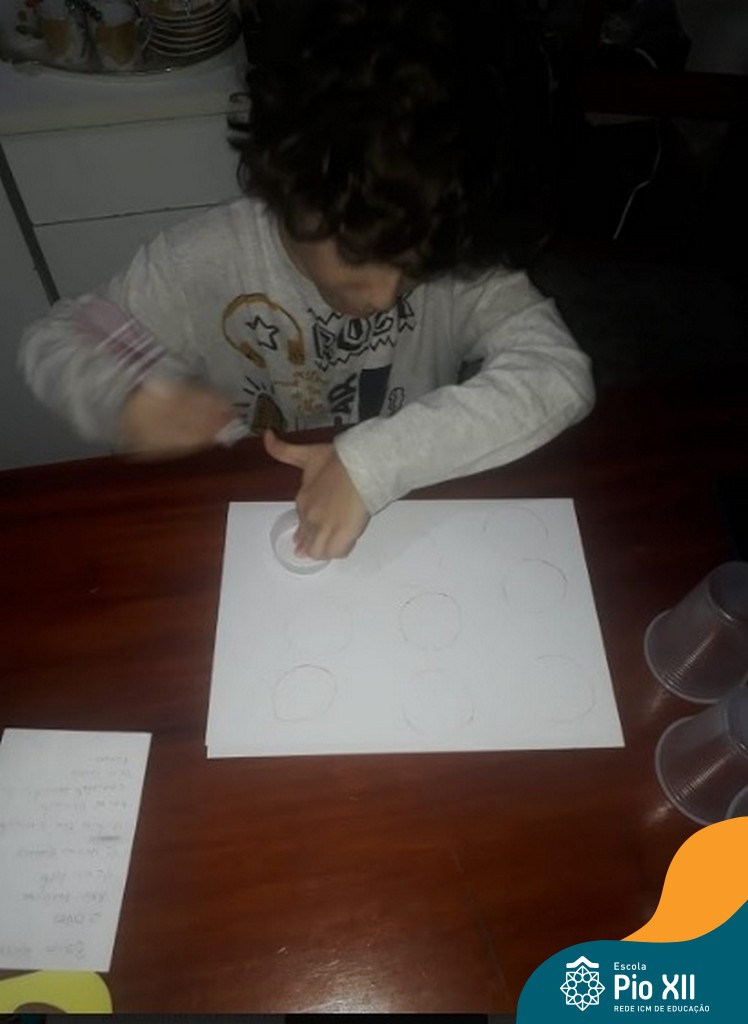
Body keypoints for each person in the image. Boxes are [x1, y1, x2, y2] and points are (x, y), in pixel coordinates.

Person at [20, 0, 594, 560]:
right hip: (246, 512)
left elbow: (558, 375)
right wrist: (128, 394)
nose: (384, 296)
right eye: (358, 252)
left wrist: (373, 465)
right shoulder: (201, 259)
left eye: (416, 267)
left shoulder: (451, 241)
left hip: (404, 506)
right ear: (289, 188)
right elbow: (60, 337)